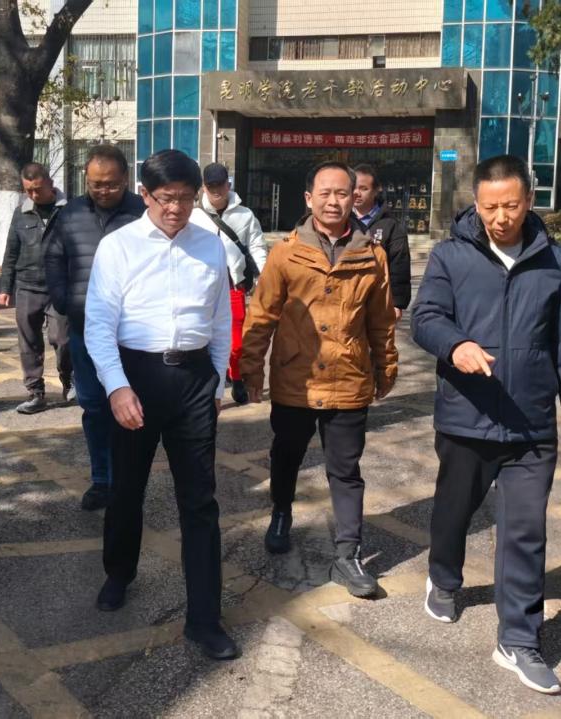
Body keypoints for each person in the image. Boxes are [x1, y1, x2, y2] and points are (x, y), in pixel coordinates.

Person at [411, 154, 561, 694]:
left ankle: (518, 640)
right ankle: (444, 578)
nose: (500, 217)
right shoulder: (451, 255)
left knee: (525, 531)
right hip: (467, 417)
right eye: (490, 207)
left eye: (510, 205)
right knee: (454, 511)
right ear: (476, 203)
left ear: (529, 200)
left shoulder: (552, 259)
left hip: (529, 423)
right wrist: (456, 345)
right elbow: (426, 318)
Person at [84, 149, 237, 660]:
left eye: (186, 199)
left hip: (194, 379)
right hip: (137, 377)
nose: (176, 209)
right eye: (166, 198)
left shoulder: (210, 244)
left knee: (200, 501)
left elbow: (220, 319)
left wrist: (217, 382)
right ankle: (118, 572)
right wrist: (116, 387)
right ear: (145, 195)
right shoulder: (118, 247)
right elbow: (98, 325)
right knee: (127, 488)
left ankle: (204, 618)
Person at [240, 161, 398, 598]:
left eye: (343, 193)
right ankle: (281, 513)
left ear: (355, 197)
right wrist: (251, 368)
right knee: (287, 454)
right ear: (309, 198)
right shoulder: (285, 253)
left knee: (345, 470)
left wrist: (386, 366)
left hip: (349, 378)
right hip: (297, 378)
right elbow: (261, 315)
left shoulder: (372, 255)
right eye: (325, 193)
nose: (334, 201)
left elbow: (381, 322)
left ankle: (348, 554)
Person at [45, 144, 145, 510]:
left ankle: (127, 481)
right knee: (94, 406)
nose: (103, 190)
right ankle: (102, 479)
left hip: (133, 333)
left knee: (132, 408)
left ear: (126, 179)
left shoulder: (142, 213)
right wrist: (63, 300)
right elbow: (53, 259)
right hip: (85, 328)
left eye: (112, 184)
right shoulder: (70, 214)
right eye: (96, 184)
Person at [189, 162, 268, 405]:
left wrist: (264, 277)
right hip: (199, 287)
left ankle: (237, 377)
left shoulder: (245, 215)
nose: (216, 190)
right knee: (202, 337)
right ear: (203, 187)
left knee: (236, 340)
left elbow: (256, 246)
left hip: (233, 285)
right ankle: (210, 382)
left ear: (228, 184)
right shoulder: (192, 216)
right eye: (210, 185)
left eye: (220, 185)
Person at [0, 163, 72, 414]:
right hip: (27, 286)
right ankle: (35, 392)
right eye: (28, 190)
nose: (33, 195)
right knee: (29, 342)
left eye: (38, 189)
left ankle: (69, 380)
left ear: (50, 184)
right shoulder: (21, 213)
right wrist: (5, 286)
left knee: (63, 339)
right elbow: (11, 251)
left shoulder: (69, 210)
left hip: (60, 286)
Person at [352, 164, 412, 319]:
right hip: (346, 297)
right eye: (353, 188)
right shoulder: (342, 220)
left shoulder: (390, 225)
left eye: (363, 188)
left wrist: (397, 302)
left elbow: (399, 264)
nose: (357, 193)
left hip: (378, 299)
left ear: (376, 190)